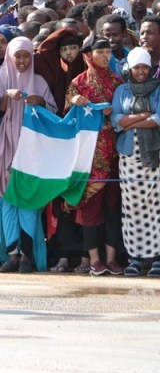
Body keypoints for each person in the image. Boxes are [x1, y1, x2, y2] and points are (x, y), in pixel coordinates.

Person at [0, 38, 56, 272]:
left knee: (28, 201)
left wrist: (41, 102)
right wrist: (6, 96)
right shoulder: (1, 79)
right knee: (8, 201)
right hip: (6, 149)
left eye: (26, 56)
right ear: (10, 57)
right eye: (18, 56)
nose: (23, 61)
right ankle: (12, 255)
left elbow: (53, 115)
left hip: (31, 150)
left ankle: (27, 255)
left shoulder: (39, 81)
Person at [66, 37, 124, 275]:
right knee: (90, 208)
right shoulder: (78, 83)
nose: (106, 56)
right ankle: (94, 259)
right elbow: (68, 118)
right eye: (101, 52)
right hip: (89, 155)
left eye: (108, 52)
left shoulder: (118, 82)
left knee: (113, 207)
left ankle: (111, 259)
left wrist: (113, 112)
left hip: (115, 154)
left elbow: (126, 110)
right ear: (89, 55)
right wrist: (74, 101)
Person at [111, 47, 160, 277]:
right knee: (132, 209)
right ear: (129, 69)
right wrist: (144, 116)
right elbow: (116, 120)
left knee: (156, 208)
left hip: (155, 157)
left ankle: (157, 258)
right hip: (129, 157)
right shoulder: (122, 90)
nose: (141, 71)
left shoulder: (158, 89)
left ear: (150, 68)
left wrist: (131, 122)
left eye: (144, 67)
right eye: (136, 67)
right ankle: (135, 258)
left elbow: (158, 119)